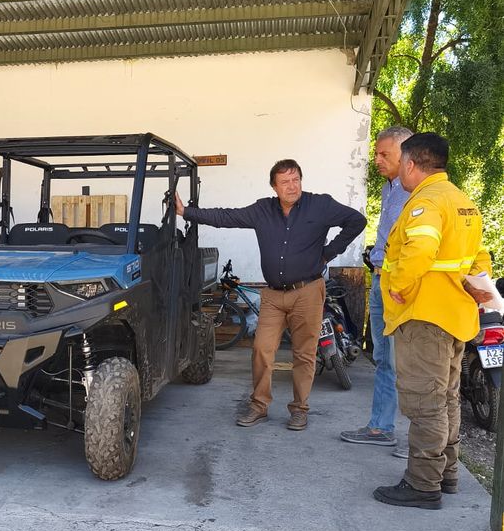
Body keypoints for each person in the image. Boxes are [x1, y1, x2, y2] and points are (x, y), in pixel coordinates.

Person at [175, 159, 366, 430]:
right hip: (274, 295)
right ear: (274, 186)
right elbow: (226, 217)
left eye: (296, 179)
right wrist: (186, 212)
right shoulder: (262, 210)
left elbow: (356, 221)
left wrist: (329, 252)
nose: (292, 186)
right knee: (262, 350)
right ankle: (259, 405)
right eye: (285, 181)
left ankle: (300, 409)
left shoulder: (320, 205)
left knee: (305, 353)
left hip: (308, 291)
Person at [373, 132, 492, 509]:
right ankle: (448, 474)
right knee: (445, 400)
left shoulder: (426, 202)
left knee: (425, 404)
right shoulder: (462, 202)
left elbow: (420, 249)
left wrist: (399, 285)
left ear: (410, 163)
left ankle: (423, 484)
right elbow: (480, 258)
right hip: (454, 317)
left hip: (425, 316)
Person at [340, 127, 412, 456]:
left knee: (407, 362)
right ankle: (381, 427)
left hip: (402, 285)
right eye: (377, 153)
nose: (377, 160)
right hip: (381, 280)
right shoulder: (390, 189)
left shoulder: (418, 192)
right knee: (384, 358)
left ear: (408, 155)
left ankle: (420, 442)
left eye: (386, 154)